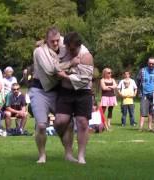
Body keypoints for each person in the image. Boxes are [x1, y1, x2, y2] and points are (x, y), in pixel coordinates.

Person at [30, 27, 77, 163]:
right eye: (52, 41)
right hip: (39, 90)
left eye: (57, 40)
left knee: (68, 123)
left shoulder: (63, 44)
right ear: (46, 40)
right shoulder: (39, 51)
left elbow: (76, 43)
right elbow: (51, 70)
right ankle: (42, 156)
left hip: (58, 90)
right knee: (41, 125)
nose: (56, 43)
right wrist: (71, 63)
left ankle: (68, 155)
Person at [54, 31, 94, 164]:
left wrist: (64, 75)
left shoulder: (86, 56)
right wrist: (69, 64)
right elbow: (53, 69)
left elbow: (83, 80)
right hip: (65, 91)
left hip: (83, 92)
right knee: (60, 122)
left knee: (82, 122)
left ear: (78, 45)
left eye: (73, 49)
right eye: (68, 48)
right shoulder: (63, 48)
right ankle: (68, 151)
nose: (70, 51)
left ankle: (81, 156)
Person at [136, 57, 154, 131]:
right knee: (143, 110)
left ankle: (150, 127)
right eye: (150, 63)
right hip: (144, 94)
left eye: (152, 63)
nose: (151, 64)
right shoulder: (142, 71)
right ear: (147, 63)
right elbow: (138, 81)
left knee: (151, 112)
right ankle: (141, 127)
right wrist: (139, 91)